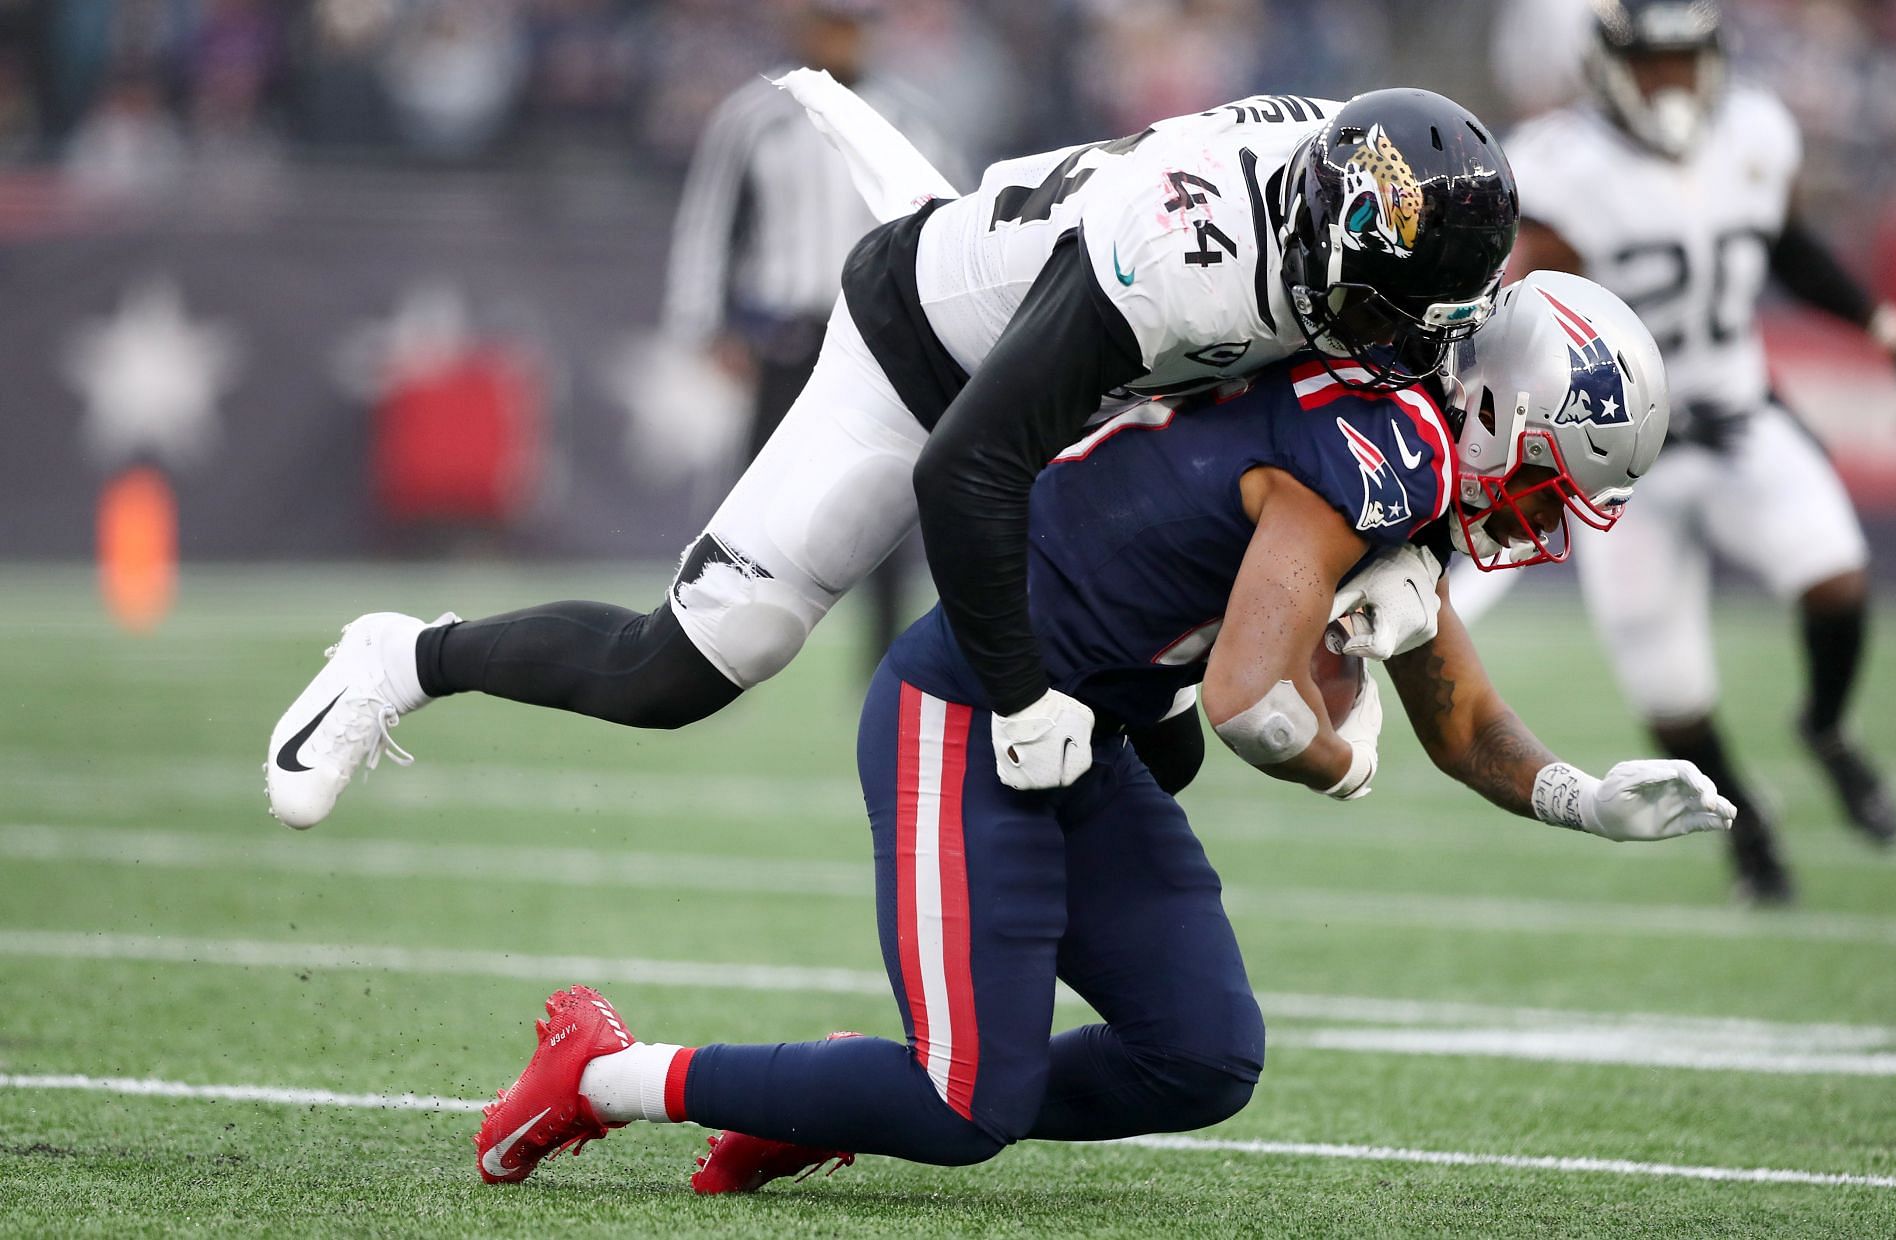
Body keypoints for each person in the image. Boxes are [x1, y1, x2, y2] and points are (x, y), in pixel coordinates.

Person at [469, 272, 1735, 1191]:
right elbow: (1252, 706)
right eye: (1546, 480)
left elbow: (1462, 717)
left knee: (1201, 1057)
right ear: (1499, 412)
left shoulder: (1404, 450)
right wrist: (1351, 757)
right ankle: (602, 1074)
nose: (1542, 519)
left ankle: (851, 1089)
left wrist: (1584, 798)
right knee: (970, 1106)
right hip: (967, 710)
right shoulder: (1366, 454)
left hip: (1087, 738)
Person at [265, 82, 1520, 828]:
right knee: (692, 664)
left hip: (1090, 382)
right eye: (1377, 312)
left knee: (1160, 743)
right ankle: (403, 657)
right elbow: (963, 471)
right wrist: (1023, 697)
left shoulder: (1346, 198)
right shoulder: (1191, 263)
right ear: (1317, 231)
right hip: (929, 357)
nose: (1391, 349)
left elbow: (1316, 447)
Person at [1455, 0, 1896, 903]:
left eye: (1683, 60)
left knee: (1837, 577)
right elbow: (1531, 311)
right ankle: (1751, 833)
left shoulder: (1755, 130)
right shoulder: (1560, 164)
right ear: (1609, 67)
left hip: (1739, 416)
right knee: (1670, 692)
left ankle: (1824, 729)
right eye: (1652, 63)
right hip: (1618, 461)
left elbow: (1785, 247)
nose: (1670, 82)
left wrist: (1883, 326)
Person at [660, 2, 958, 669]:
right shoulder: (755, 116)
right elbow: (709, 224)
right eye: (830, 22)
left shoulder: (910, 119)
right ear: (803, 28)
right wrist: (706, 325)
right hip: (787, 334)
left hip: (884, 337)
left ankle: (882, 656)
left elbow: (946, 222)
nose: (842, 38)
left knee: (886, 495)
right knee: (757, 496)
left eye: (853, 25)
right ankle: (711, 646)